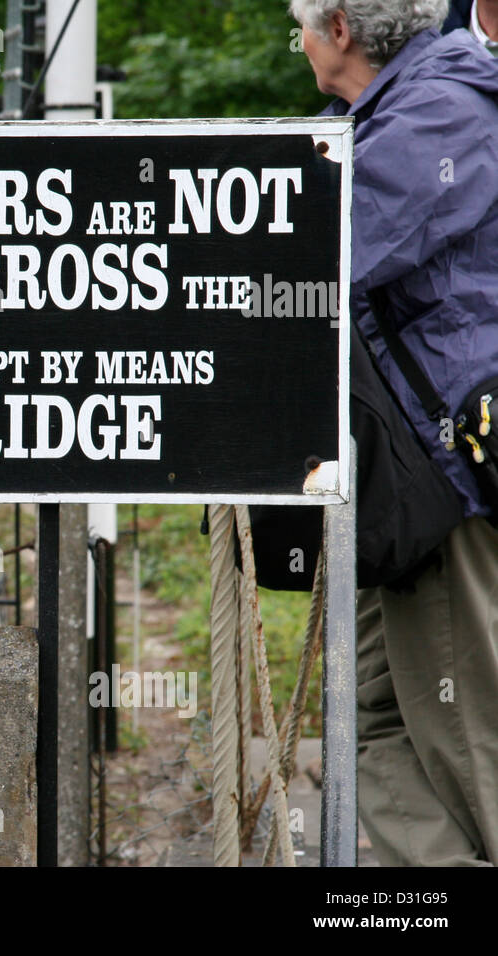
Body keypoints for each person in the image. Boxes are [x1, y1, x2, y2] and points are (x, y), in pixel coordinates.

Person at [291, 0, 498, 865]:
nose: (296, 45)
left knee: (462, 740)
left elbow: (321, 248)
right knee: (375, 712)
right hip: (402, 485)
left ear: (338, 29)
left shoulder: (441, 112)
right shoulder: (378, 116)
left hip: (450, 480)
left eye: (297, 27)